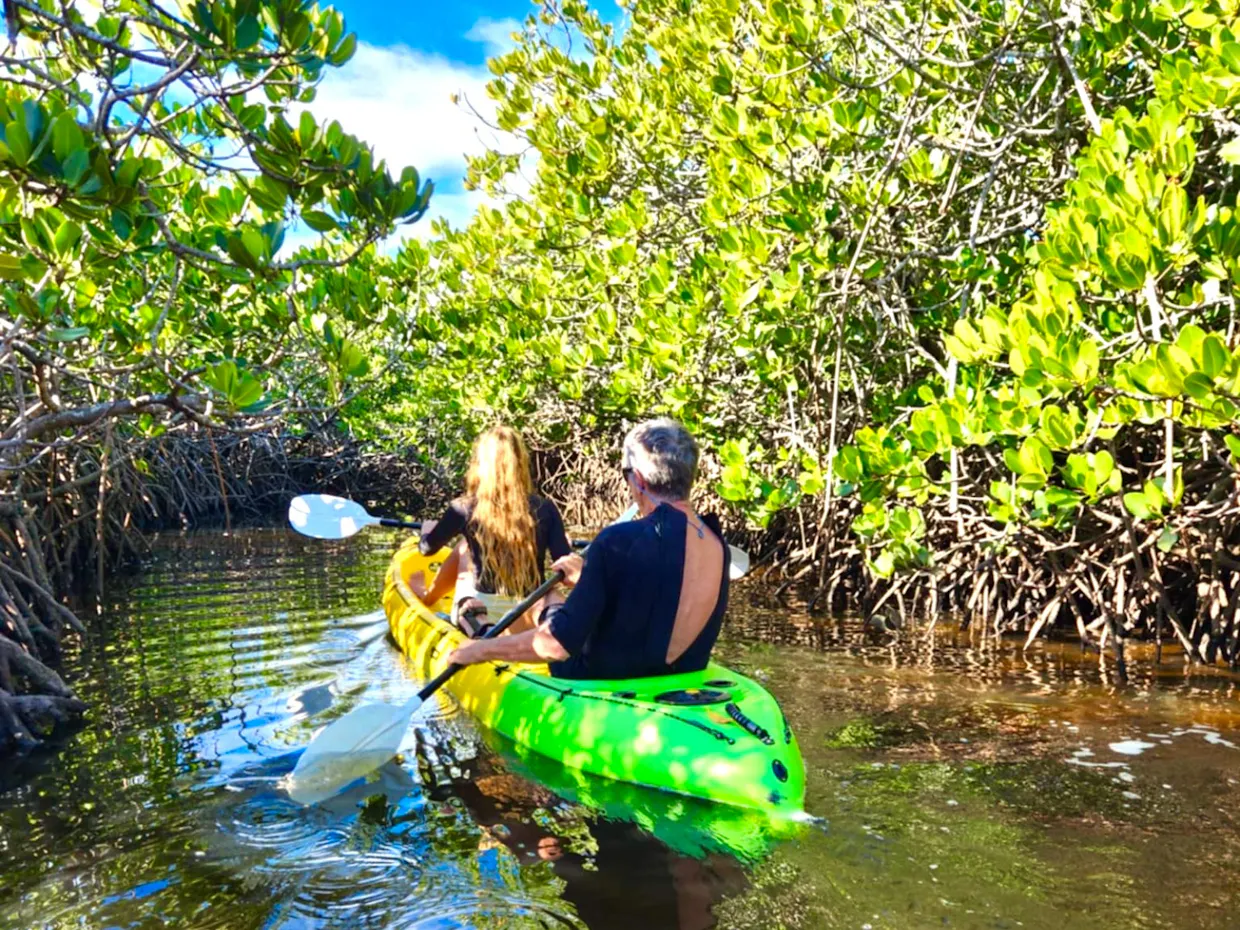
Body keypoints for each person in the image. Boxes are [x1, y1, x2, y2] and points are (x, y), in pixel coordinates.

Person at [446, 418, 728, 679]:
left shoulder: (616, 541)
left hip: (596, 678)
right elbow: (659, 600)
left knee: (550, 598)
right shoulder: (716, 542)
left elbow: (555, 646)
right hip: (676, 677)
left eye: (626, 474)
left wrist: (479, 650)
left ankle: (480, 628)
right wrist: (589, 576)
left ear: (639, 480)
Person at [409, 426, 571, 636]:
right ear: (520, 462)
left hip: (484, 607)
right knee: (552, 594)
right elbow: (566, 569)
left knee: (464, 550)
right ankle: (557, 629)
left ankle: (476, 628)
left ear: (480, 464)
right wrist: (566, 548)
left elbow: (427, 549)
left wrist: (426, 531)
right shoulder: (545, 508)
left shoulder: (463, 507)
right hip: (531, 608)